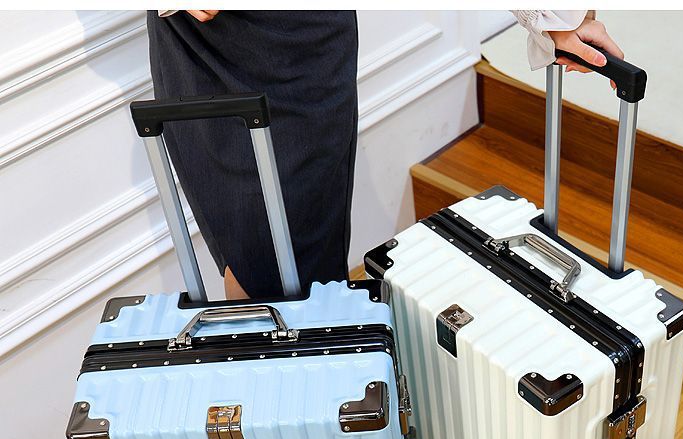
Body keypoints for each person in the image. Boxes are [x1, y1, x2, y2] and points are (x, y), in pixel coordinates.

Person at [147, 10, 623, 300]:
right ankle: (275, 413)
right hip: (197, 39)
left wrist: (555, 18)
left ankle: (310, 408)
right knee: (247, 247)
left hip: (298, 40)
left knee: (296, 254)